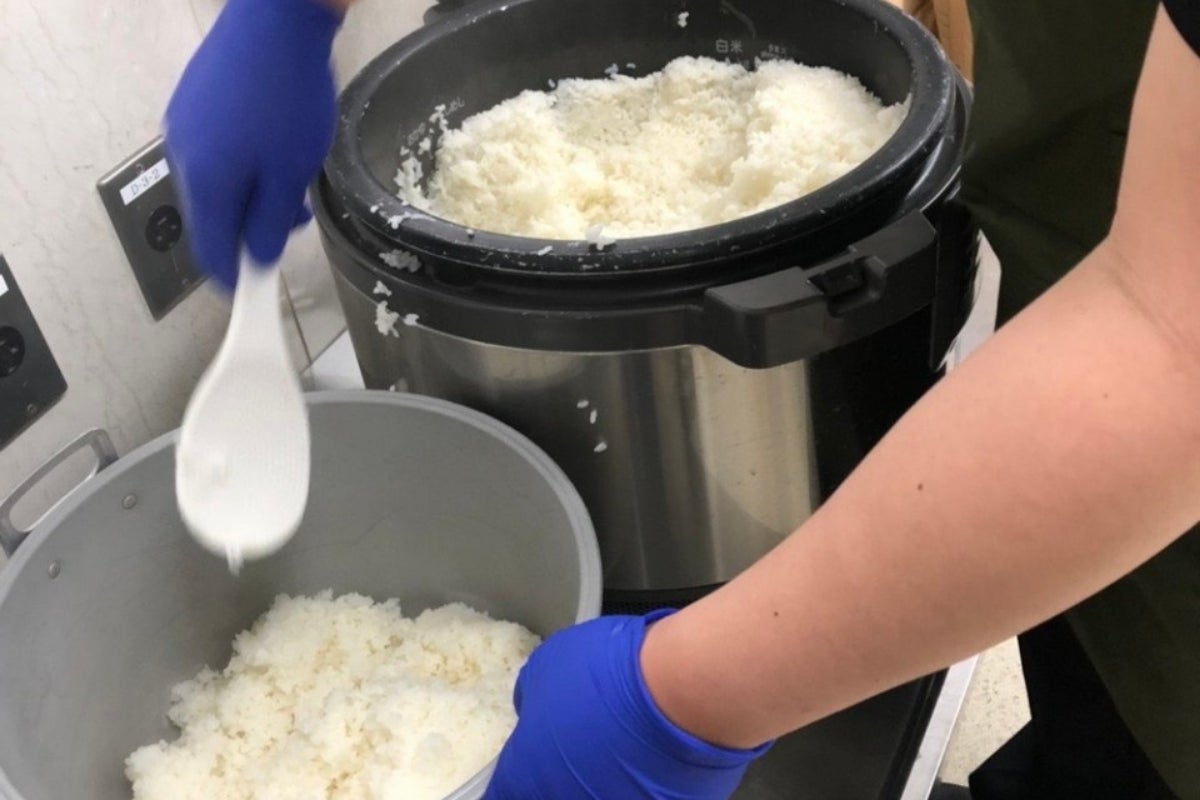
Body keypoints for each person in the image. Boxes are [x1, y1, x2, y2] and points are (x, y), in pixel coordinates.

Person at [164, 0, 1200, 797]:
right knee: (1094, 690)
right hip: (1079, 298)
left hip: (1154, 412)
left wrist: (681, 705)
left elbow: (1174, 339)